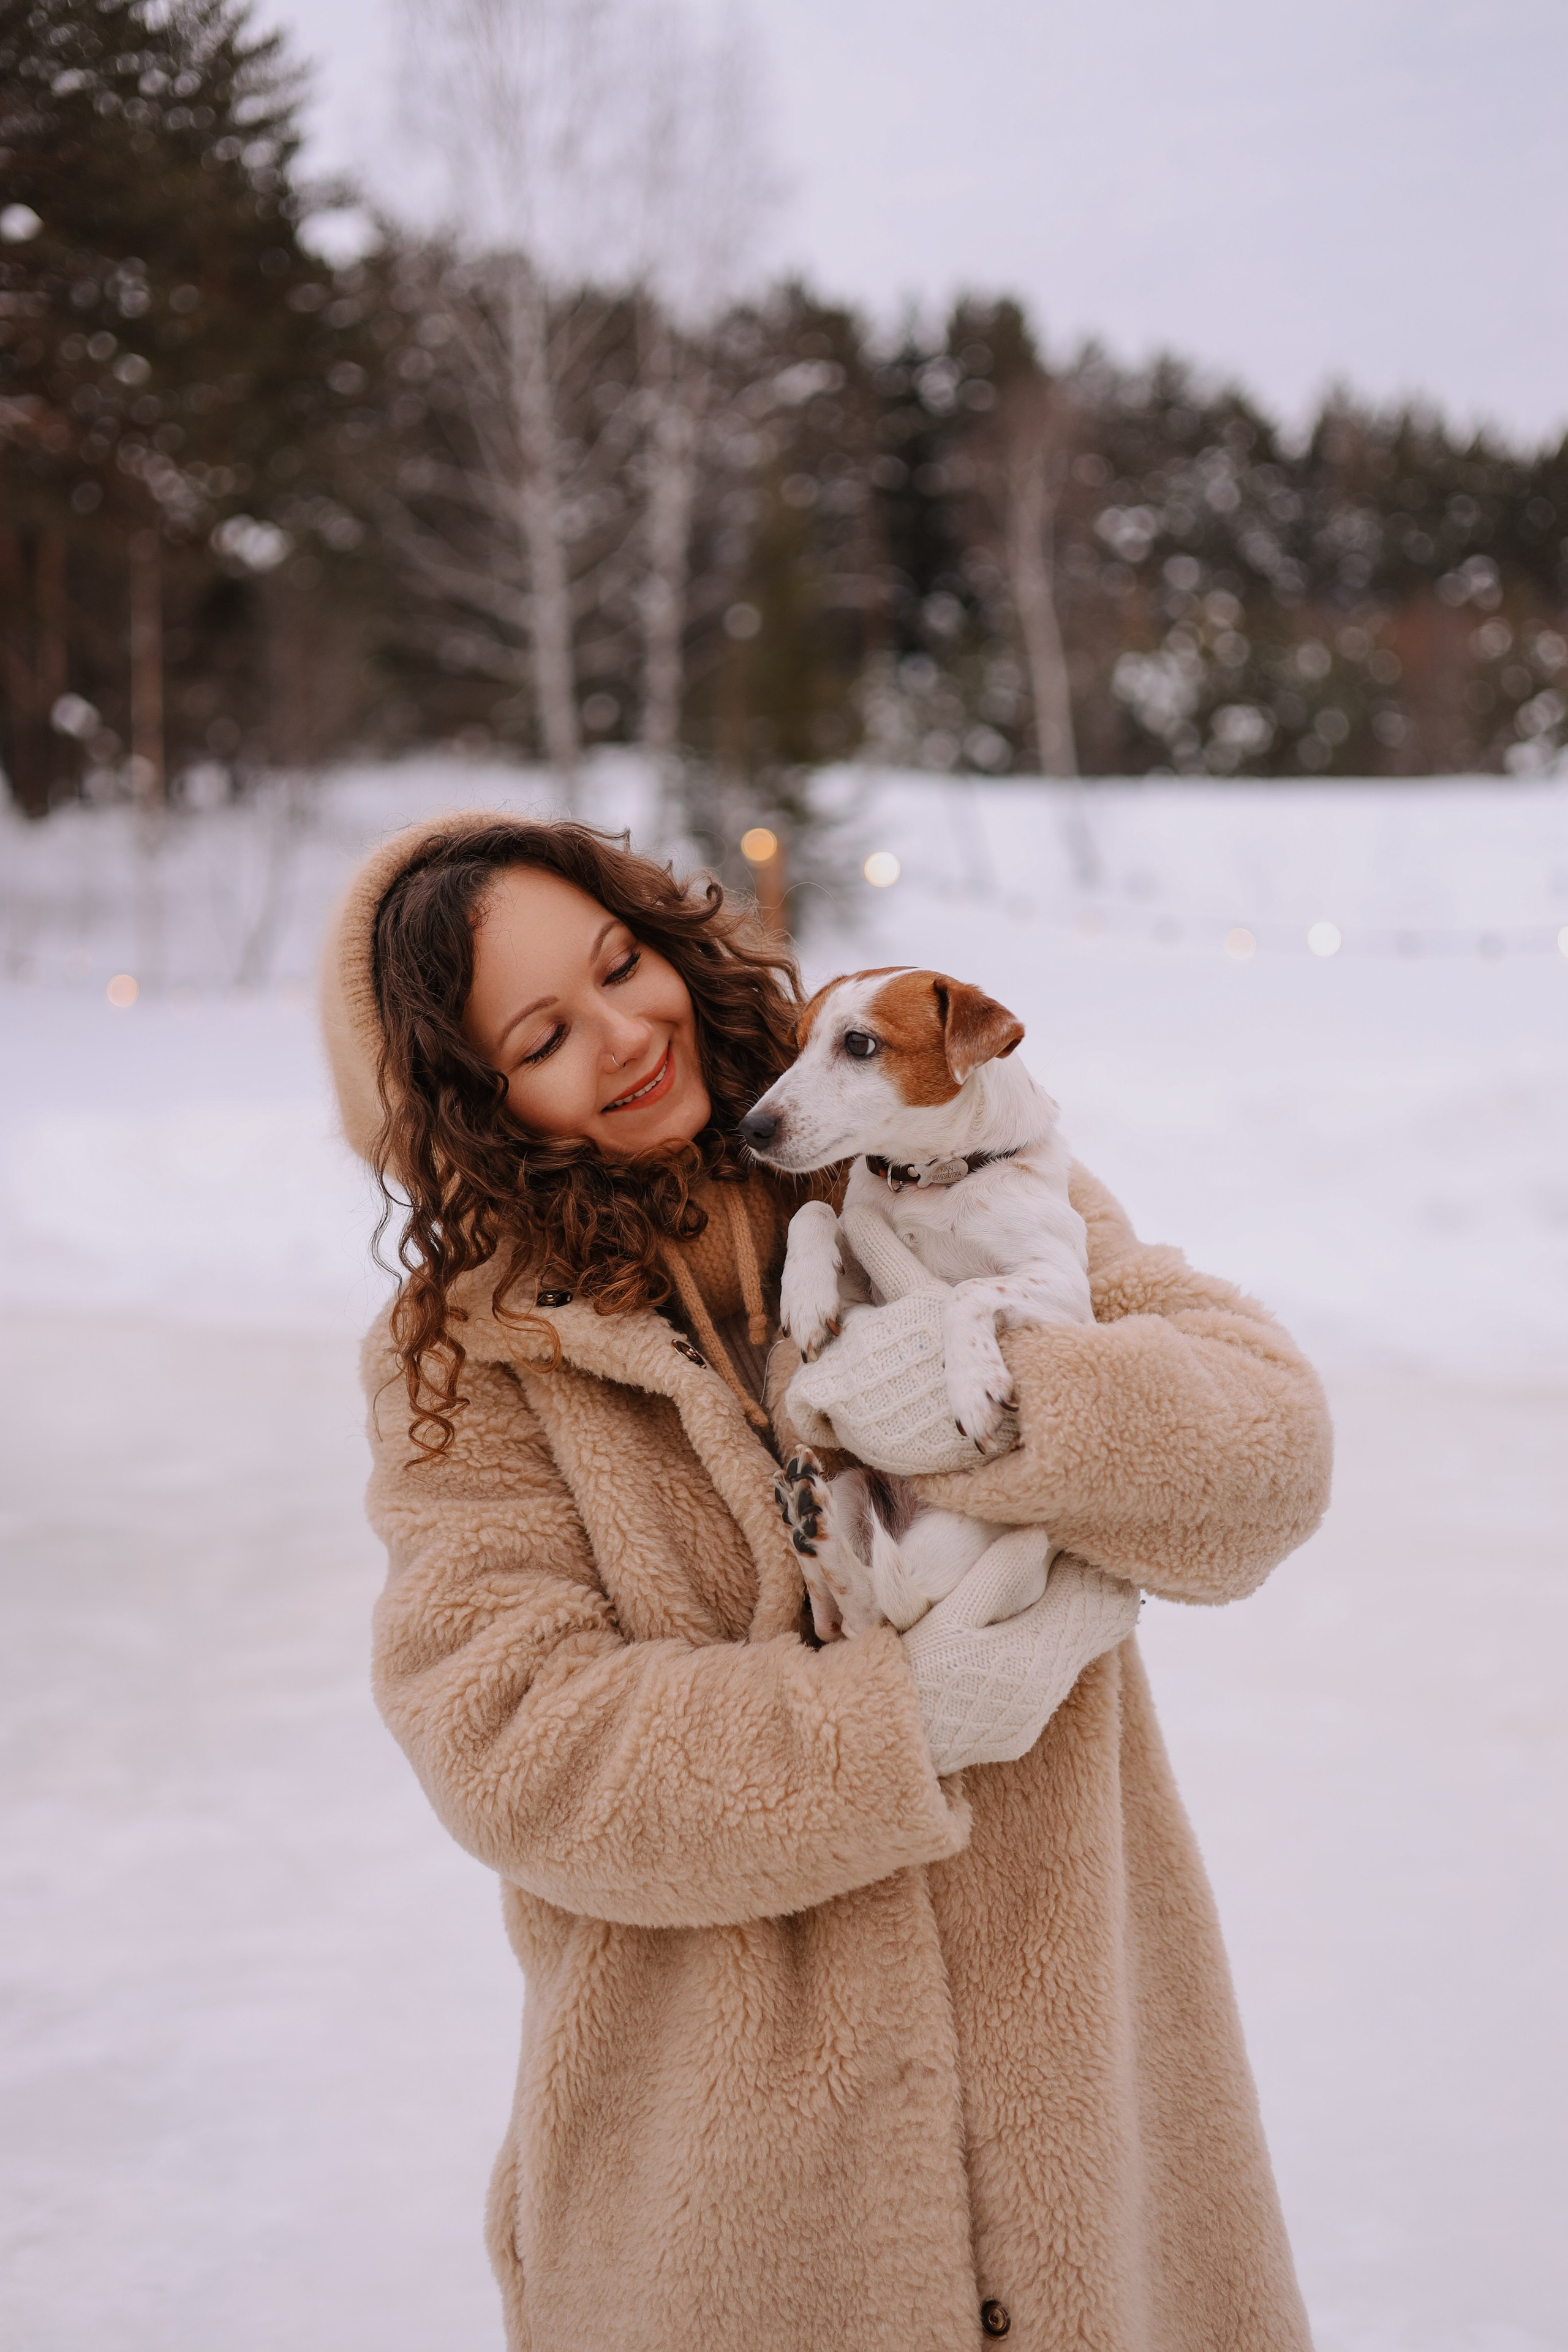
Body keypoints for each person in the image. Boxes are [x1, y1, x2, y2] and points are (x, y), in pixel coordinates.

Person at [319, 811, 1333, 2352]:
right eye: (543, 1032)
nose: (626, 1032)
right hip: (734, 2206)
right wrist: (896, 1721)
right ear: (474, 1101)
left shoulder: (925, 1140)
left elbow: (1267, 1453)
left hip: (1085, 2143)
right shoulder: (471, 1358)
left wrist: (1008, 1410)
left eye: (619, 964)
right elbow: (511, 1739)